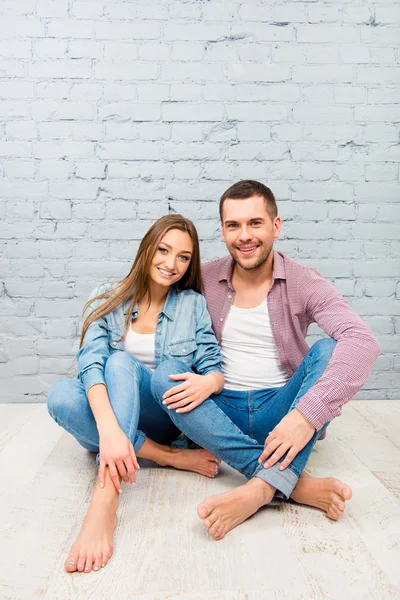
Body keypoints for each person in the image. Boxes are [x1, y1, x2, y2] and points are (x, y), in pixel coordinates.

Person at [151, 180, 381, 540]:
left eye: (255, 223)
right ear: (223, 231)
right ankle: (290, 484)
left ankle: (258, 490)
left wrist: (306, 417)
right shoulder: (204, 277)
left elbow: (362, 342)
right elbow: (154, 299)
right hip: (218, 409)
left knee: (327, 349)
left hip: (283, 413)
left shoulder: (303, 281)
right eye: (233, 225)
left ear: (276, 226)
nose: (244, 236)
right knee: (166, 375)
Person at [47, 214, 225, 573]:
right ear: (147, 248)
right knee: (62, 396)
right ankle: (167, 458)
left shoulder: (191, 304)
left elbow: (213, 367)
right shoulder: (107, 297)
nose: (171, 264)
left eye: (184, 257)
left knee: (121, 364)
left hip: (163, 414)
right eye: (163, 250)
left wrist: (212, 381)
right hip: (113, 419)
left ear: (191, 263)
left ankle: (105, 500)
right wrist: (111, 431)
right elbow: (90, 365)